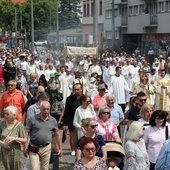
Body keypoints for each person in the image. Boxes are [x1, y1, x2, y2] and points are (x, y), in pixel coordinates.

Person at [25, 101, 62, 170]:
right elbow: (26, 133)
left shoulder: (53, 120)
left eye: (47, 109)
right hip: (34, 147)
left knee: (44, 168)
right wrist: (25, 146)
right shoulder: (33, 119)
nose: (46, 111)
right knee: (34, 168)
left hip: (46, 147)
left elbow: (57, 135)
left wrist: (60, 148)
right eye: (44, 109)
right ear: (40, 109)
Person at [63, 83, 83, 156]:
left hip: (83, 123)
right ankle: (77, 156)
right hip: (73, 123)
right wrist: (65, 124)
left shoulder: (84, 98)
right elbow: (66, 111)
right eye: (75, 89)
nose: (76, 91)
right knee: (74, 141)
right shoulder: (69, 99)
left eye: (78, 89)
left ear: (81, 89)